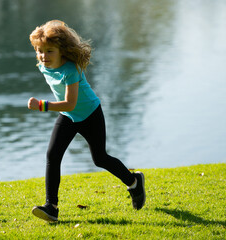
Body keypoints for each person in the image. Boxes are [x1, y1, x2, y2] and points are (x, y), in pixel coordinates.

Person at [27, 20, 145, 222]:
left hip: (90, 114)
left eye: (49, 51)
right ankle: (51, 207)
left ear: (61, 51)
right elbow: (68, 108)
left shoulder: (70, 70)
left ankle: (134, 181)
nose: (43, 56)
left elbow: (70, 103)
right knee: (52, 155)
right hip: (68, 117)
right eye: (39, 51)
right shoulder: (43, 66)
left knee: (99, 158)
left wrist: (42, 105)